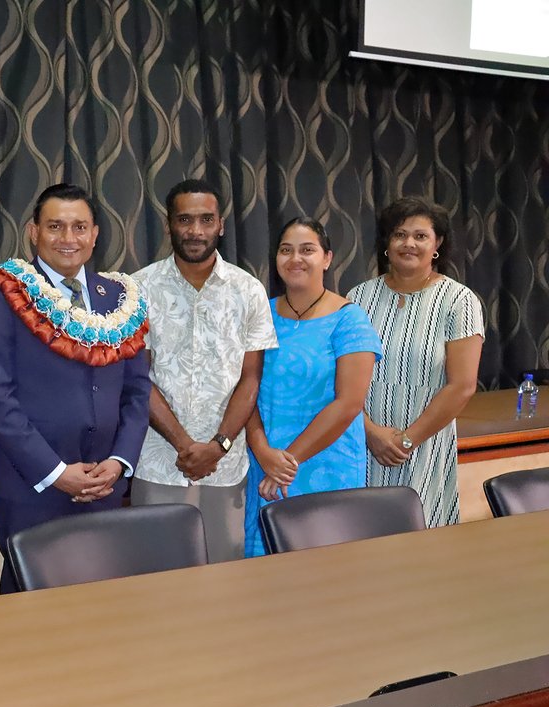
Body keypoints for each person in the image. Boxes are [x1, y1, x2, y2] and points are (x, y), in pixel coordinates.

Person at [0, 182, 152, 594]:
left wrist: (120, 462)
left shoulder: (120, 299)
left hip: (104, 484)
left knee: (102, 605)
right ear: (34, 232)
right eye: (56, 226)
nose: (68, 239)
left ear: (95, 234)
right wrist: (55, 473)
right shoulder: (3, 295)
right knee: (31, 607)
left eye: (79, 227)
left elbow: (138, 392)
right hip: (32, 484)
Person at [130, 179, 277, 563]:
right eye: (185, 220)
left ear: (221, 225)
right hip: (159, 461)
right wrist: (184, 445)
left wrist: (219, 446)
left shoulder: (248, 290)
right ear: (168, 225)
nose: (195, 231)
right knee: (158, 576)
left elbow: (250, 378)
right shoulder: (137, 289)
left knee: (224, 575)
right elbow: (137, 379)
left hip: (225, 467)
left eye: (206, 220)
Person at [242, 217, 382, 556]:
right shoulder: (262, 313)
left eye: (307, 250)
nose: (295, 259)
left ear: (327, 258)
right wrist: (263, 452)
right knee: (266, 572)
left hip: (326, 465)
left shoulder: (349, 318)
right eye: (286, 250)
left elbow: (348, 403)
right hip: (266, 462)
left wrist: (288, 462)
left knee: (331, 573)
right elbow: (245, 389)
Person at [346, 197, 483, 527]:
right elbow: (343, 380)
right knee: (364, 542)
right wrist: (372, 434)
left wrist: (407, 440)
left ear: (437, 244)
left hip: (427, 447)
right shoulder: (356, 299)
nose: (408, 243)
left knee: (424, 544)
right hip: (364, 444)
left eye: (420, 236)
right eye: (399, 234)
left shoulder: (459, 301)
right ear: (386, 244)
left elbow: (462, 386)